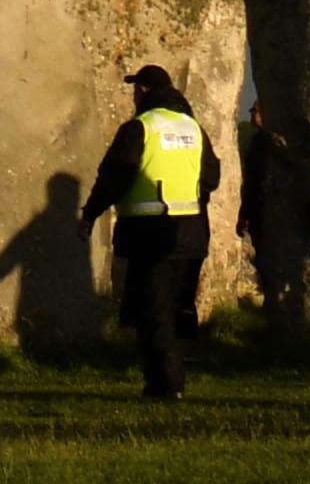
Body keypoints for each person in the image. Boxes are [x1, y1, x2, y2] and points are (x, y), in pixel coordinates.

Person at [89, 62, 214, 402]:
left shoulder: (139, 128)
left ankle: (167, 386)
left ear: (142, 91)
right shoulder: (192, 128)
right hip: (191, 231)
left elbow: (114, 176)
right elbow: (212, 178)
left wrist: (90, 215)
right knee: (180, 306)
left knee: (154, 310)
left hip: (150, 231)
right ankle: (176, 374)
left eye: (135, 89)